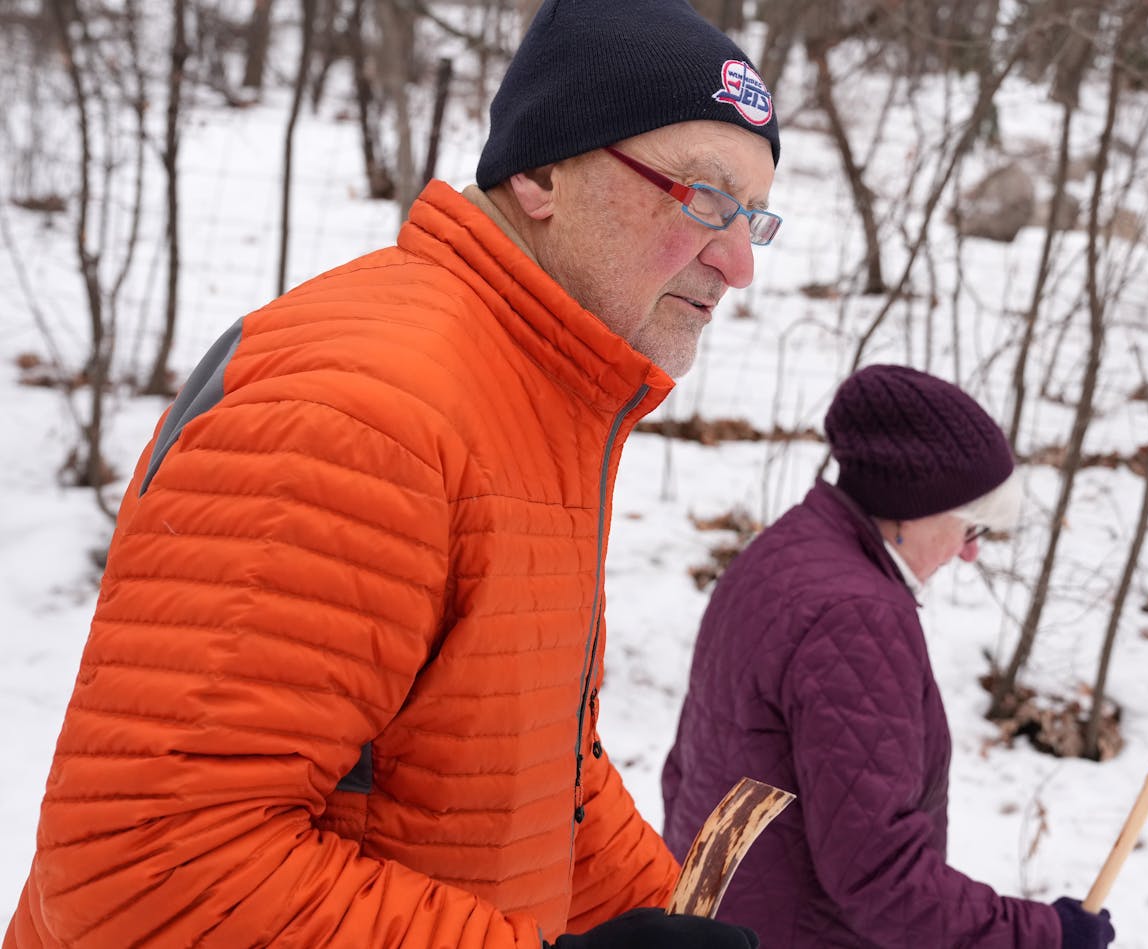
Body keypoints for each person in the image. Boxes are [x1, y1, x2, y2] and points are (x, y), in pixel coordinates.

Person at [6, 1, 781, 946]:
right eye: (703, 197)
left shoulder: (538, 394)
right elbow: (153, 870)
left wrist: (652, 911)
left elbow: (529, 769)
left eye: (754, 218)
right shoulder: (366, 411)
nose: (739, 263)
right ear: (542, 172)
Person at [661, 365, 1118, 948]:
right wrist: (1044, 936)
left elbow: (692, 770)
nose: (970, 552)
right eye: (969, 526)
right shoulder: (857, 617)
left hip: (726, 917)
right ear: (911, 506)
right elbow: (879, 874)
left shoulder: (782, 553)